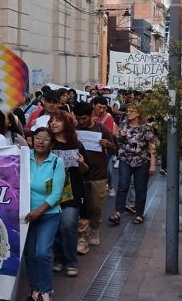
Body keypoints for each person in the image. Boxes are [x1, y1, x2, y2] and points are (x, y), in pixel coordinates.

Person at [24, 127, 65, 301]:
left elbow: (56, 194)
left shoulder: (56, 162)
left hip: (48, 214)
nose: (40, 142)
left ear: (52, 144)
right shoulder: (24, 158)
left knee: (42, 252)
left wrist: (38, 211)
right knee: (30, 254)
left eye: (45, 139)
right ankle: (35, 290)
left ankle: (46, 291)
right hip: (26, 215)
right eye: (37, 138)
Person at [48, 111, 89, 277]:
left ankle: (71, 261)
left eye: (58, 120)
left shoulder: (76, 145)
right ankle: (58, 259)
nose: (53, 123)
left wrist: (82, 163)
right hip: (51, 192)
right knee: (55, 226)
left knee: (68, 224)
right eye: (52, 120)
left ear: (66, 123)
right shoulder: (48, 144)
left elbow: (86, 170)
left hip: (72, 192)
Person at [72, 102, 116, 255]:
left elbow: (114, 149)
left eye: (83, 118)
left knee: (97, 207)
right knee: (82, 207)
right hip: (80, 175)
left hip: (98, 175)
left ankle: (95, 228)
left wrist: (108, 145)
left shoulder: (101, 129)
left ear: (91, 115)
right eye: (78, 118)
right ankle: (82, 237)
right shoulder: (74, 130)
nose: (81, 121)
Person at [108, 103, 157, 226]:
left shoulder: (145, 128)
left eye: (131, 111)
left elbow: (152, 146)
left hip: (141, 161)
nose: (128, 113)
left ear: (138, 113)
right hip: (126, 159)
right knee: (123, 185)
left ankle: (139, 213)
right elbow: (118, 142)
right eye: (128, 111)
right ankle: (118, 212)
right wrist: (120, 136)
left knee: (140, 187)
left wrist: (152, 164)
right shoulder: (124, 125)